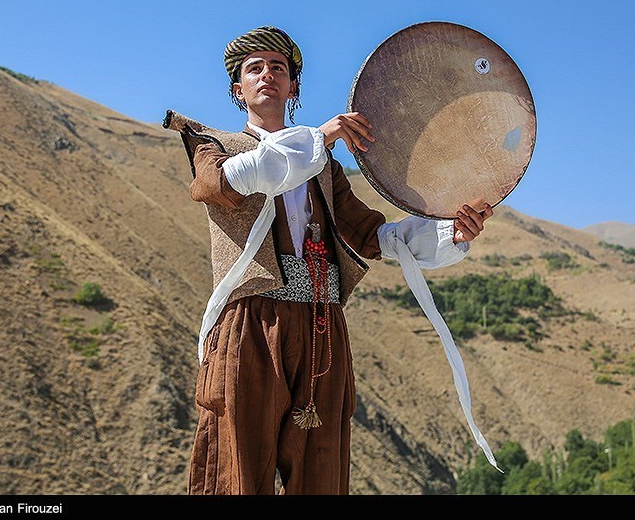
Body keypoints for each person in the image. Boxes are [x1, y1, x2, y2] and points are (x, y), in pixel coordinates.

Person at [184, 25, 494, 495]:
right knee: (239, 467)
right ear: (238, 88)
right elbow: (226, 184)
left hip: (322, 326)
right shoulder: (212, 146)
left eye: (279, 68)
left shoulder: (322, 165)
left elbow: (373, 236)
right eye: (255, 69)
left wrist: (452, 230)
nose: (267, 75)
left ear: (293, 86)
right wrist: (318, 138)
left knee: (322, 471)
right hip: (252, 322)